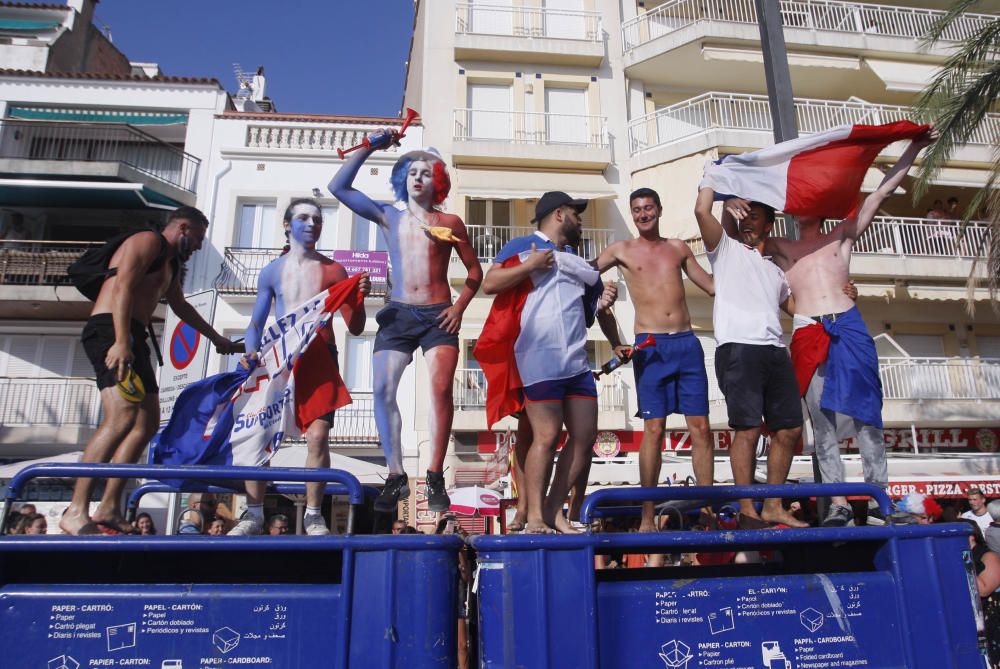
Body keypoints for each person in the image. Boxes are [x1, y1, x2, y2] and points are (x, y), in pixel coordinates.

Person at [756, 127, 937, 527]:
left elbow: (880, 194)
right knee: (822, 426)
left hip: (848, 327)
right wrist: (732, 194)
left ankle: (878, 502)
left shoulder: (841, 235)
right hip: (808, 331)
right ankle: (837, 503)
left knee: (869, 419)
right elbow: (742, 238)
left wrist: (913, 149)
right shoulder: (779, 247)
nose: (802, 204)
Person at [60, 207, 240, 536]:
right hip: (109, 331)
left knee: (146, 424)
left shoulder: (170, 264)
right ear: (183, 228)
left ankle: (110, 506)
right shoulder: (146, 241)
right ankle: (75, 509)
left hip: (135, 337)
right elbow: (123, 287)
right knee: (121, 417)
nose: (198, 247)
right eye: (198, 239)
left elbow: (181, 306)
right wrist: (119, 341)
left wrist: (219, 340)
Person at [331, 143, 482, 513]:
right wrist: (368, 147)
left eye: (426, 172)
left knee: (441, 389)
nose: (418, 177)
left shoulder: (450, 223)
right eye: (412, 172)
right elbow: (339, 188)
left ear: (437, 181)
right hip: (398, 314)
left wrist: (460, 308)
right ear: (403, 179)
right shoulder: (388, 216)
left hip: (438, 314)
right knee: (382, 388)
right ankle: (396, 475)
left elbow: (475, 273)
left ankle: (434, 475)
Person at [228, 199, 369, 536]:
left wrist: (360, 298)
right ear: (288, 225)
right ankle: (254, 513)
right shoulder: (271, 271)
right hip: (278, 358)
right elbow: (255, 323)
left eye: (317, 219)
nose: (311, 224)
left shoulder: (335, 270)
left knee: (318, 437)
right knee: (259, 434)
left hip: (320, 356)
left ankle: (315, 514)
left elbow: (357, 327)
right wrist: (250, 353)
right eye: (303, 218)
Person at [479, 192, 607, 534]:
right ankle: (534, 516)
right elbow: (489, 283)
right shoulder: (524, 245)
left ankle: (554, 510)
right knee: (547, 436)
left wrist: (602, 299)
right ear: (560, 214)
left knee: (584, 437)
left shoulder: (575, 259)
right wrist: (529, 266)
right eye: (577, 215)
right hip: (539, 357)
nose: (581, 221)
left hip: (577, 360)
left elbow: (583, 313)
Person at [593, 187, 716, 532]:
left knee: (702, 428)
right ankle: (647, 515)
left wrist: (749, 269)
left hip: (687, 343)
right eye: (637, 210)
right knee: (654, 429)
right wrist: (604, 296)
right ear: (632, 215)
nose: (643, 214)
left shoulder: (677, 247)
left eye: (648, 208)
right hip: (650, 345)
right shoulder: (621, 249)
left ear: (659, 210)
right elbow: (586, 275)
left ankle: (707, 511)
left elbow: (711, 285)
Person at [694, 186, 807, 529]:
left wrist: (844, 295)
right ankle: (747, 508)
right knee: (747, 430)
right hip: (738, 348)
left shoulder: (776, 271)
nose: (747, 222)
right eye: (744, 216)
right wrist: (715, 183)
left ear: (769, 225)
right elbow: (702, 211)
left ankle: (773, 504)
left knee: (788, 428)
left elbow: (801, 308)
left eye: (754, 217)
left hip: (774, 350)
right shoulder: (726, 250)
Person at [963, 519, 1000, 668]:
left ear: (972, 536)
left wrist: (964, 561)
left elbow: (984, 589)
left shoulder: (988, 557)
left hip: (991, 620)